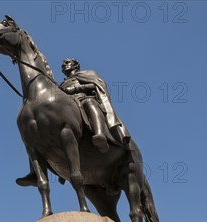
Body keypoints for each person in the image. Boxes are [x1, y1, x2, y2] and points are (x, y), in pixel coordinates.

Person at [16, 58, 130, 187]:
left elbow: (97, 85)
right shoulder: (60, 85)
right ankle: (35, 173)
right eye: (63, 64)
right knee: (36, 135)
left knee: (90, 103)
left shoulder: (87, 74)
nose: (64, 66)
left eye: (67, 63)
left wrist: (76, 88)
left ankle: (100, 134)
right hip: (69, 110)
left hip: (83, 99)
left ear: (76, 65)